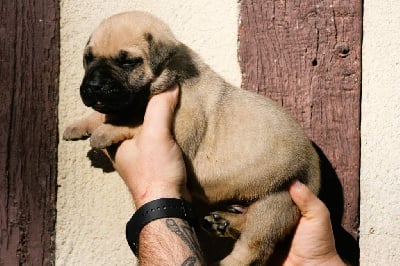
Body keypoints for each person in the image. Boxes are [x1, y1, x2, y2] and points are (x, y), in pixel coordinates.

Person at [107, 85, 346, 266]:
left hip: (273, 192)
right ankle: (241, 224)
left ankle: (243, 233)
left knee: (264, 224)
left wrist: (155, 192)